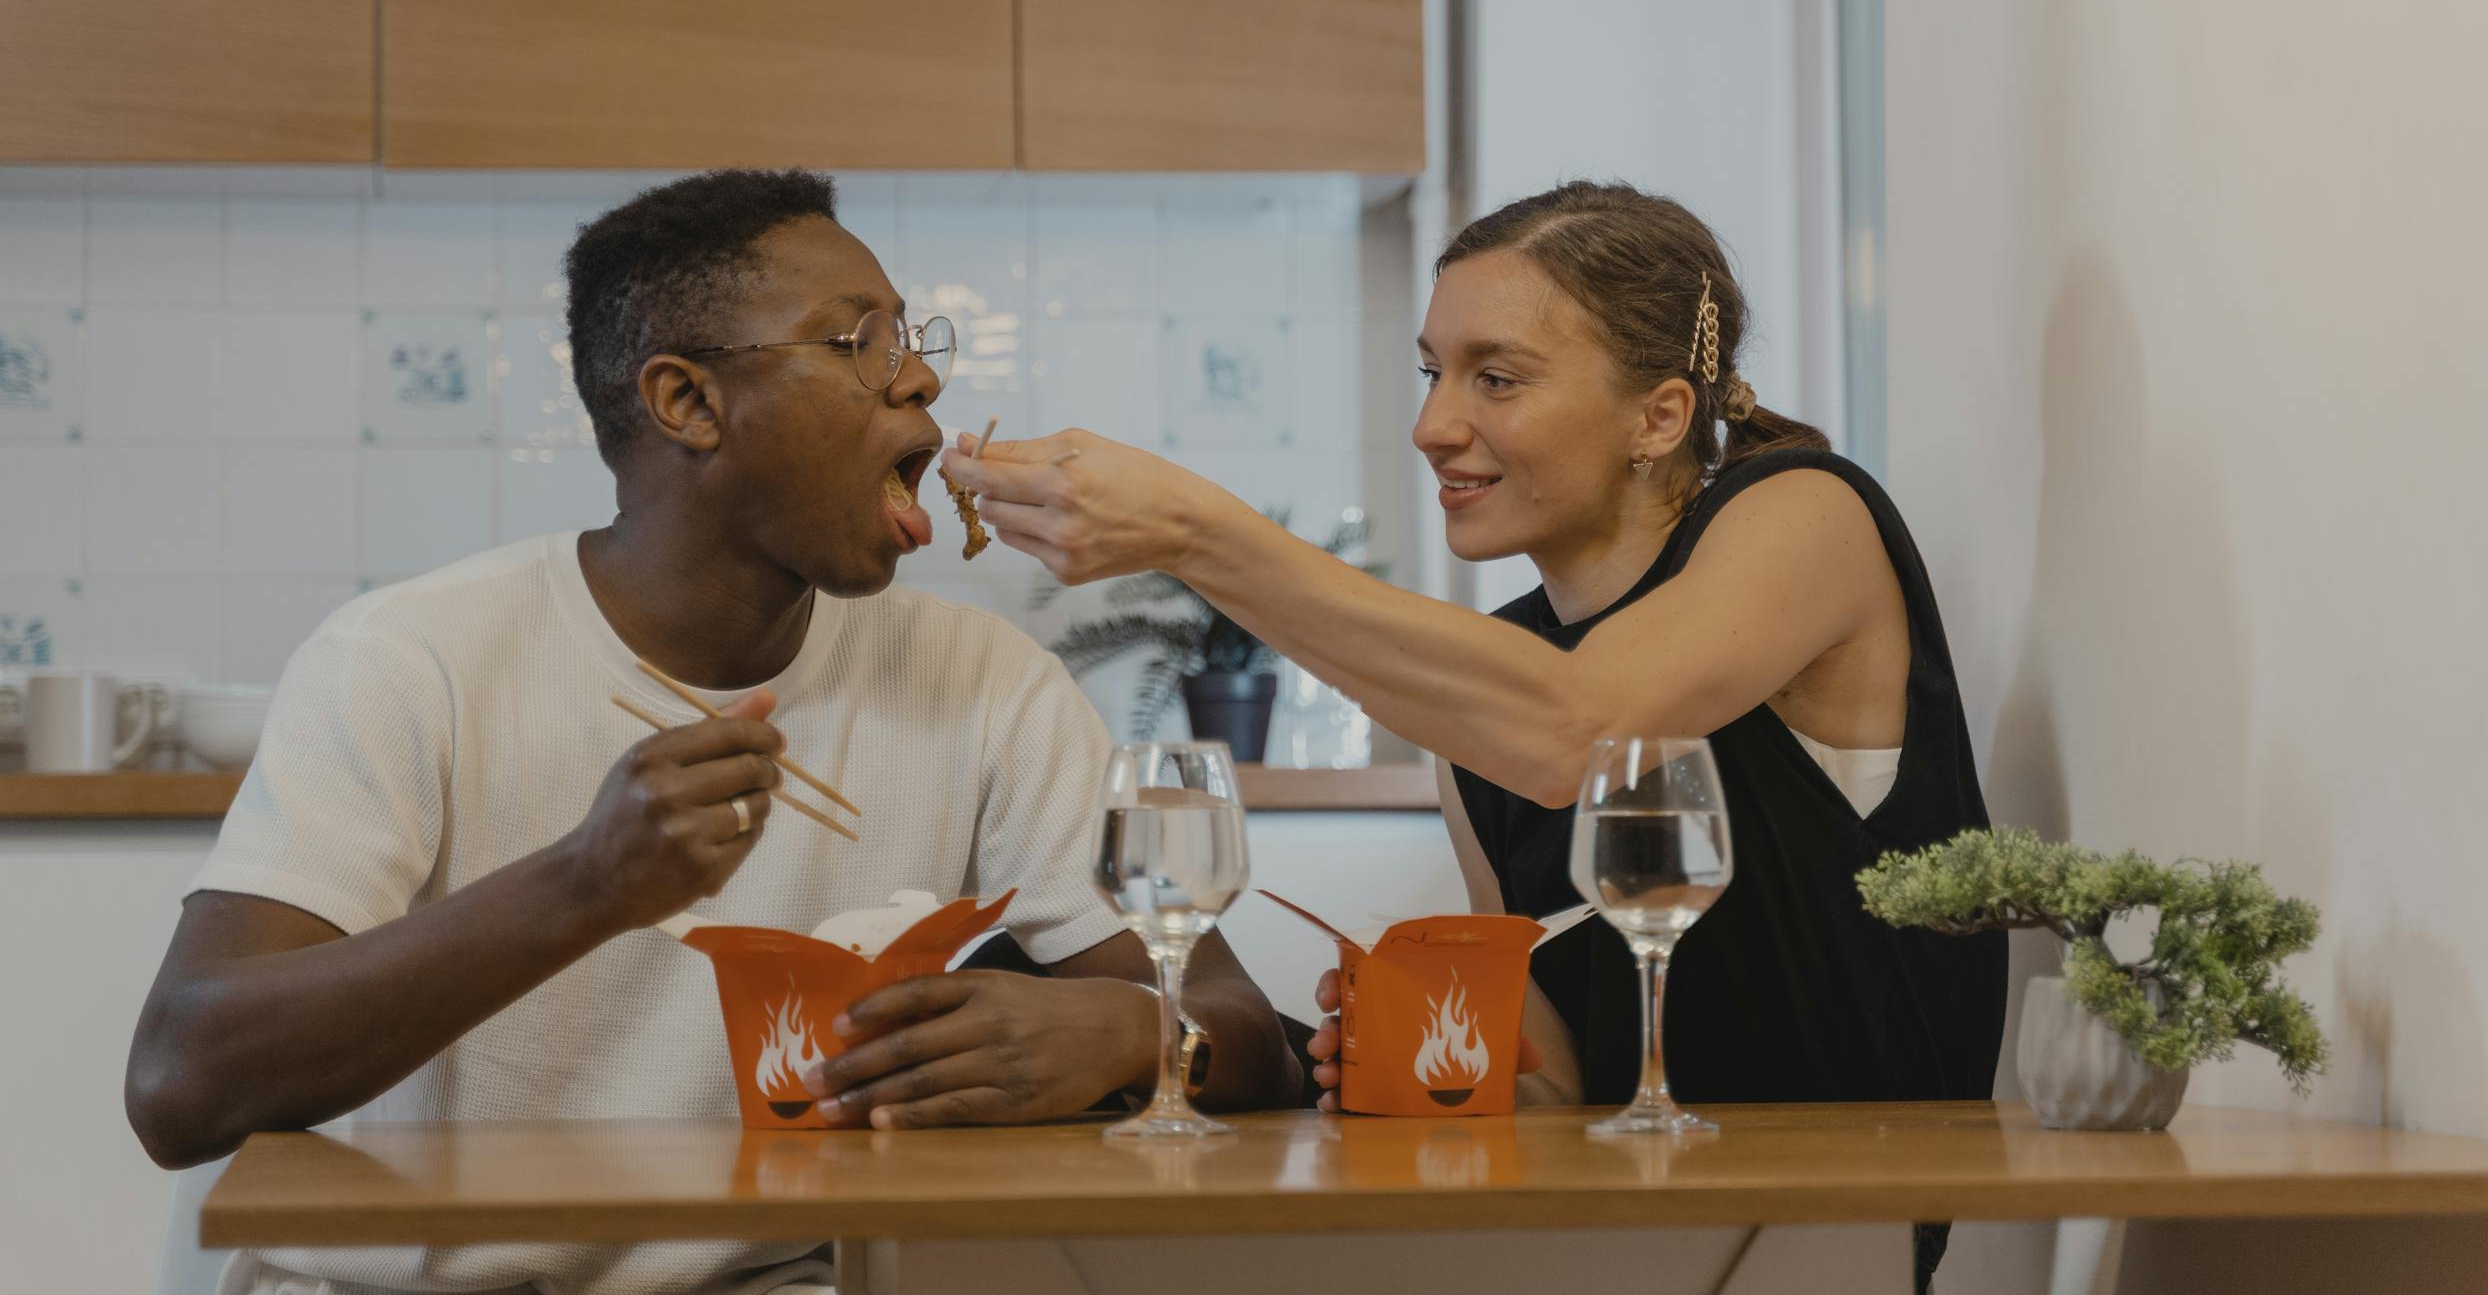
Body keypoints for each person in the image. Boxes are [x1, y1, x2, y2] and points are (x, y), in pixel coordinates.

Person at [125, 169, 1299, 1295]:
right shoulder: (409, 660)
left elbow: (1246, 1032)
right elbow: (182, 1085)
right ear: (687, 402)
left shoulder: (981, 683)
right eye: (859, 344)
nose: (921, 387)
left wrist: (1120, 1030)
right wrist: (586, 883)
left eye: (914, 345)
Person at [945, 179, 2007, 1121]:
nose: (1432, 426)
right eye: (1431, 374)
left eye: (1494, 378)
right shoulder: (1490, 695)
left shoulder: (1806, 512)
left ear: (1659, 415)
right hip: (1640, 1231)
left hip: (1845, 1213)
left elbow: (1580, 729)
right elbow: (1550, 1086)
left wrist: (1194, 531)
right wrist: (1422, 1055)